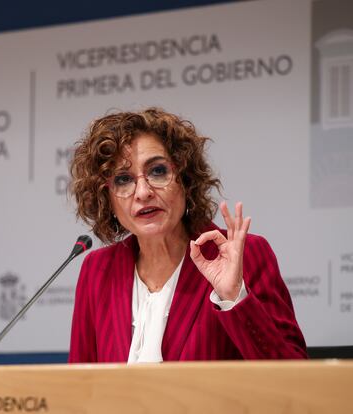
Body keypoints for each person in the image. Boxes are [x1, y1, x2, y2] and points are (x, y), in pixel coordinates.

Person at [68, 108, 307, 363]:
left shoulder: (241, 255)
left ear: (185, 178)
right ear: (107, 198)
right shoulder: (98, 270)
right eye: (123, 179)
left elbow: (293, 376)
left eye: (158, 171)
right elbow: (79, 381)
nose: (143, 192)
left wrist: (235, 298)